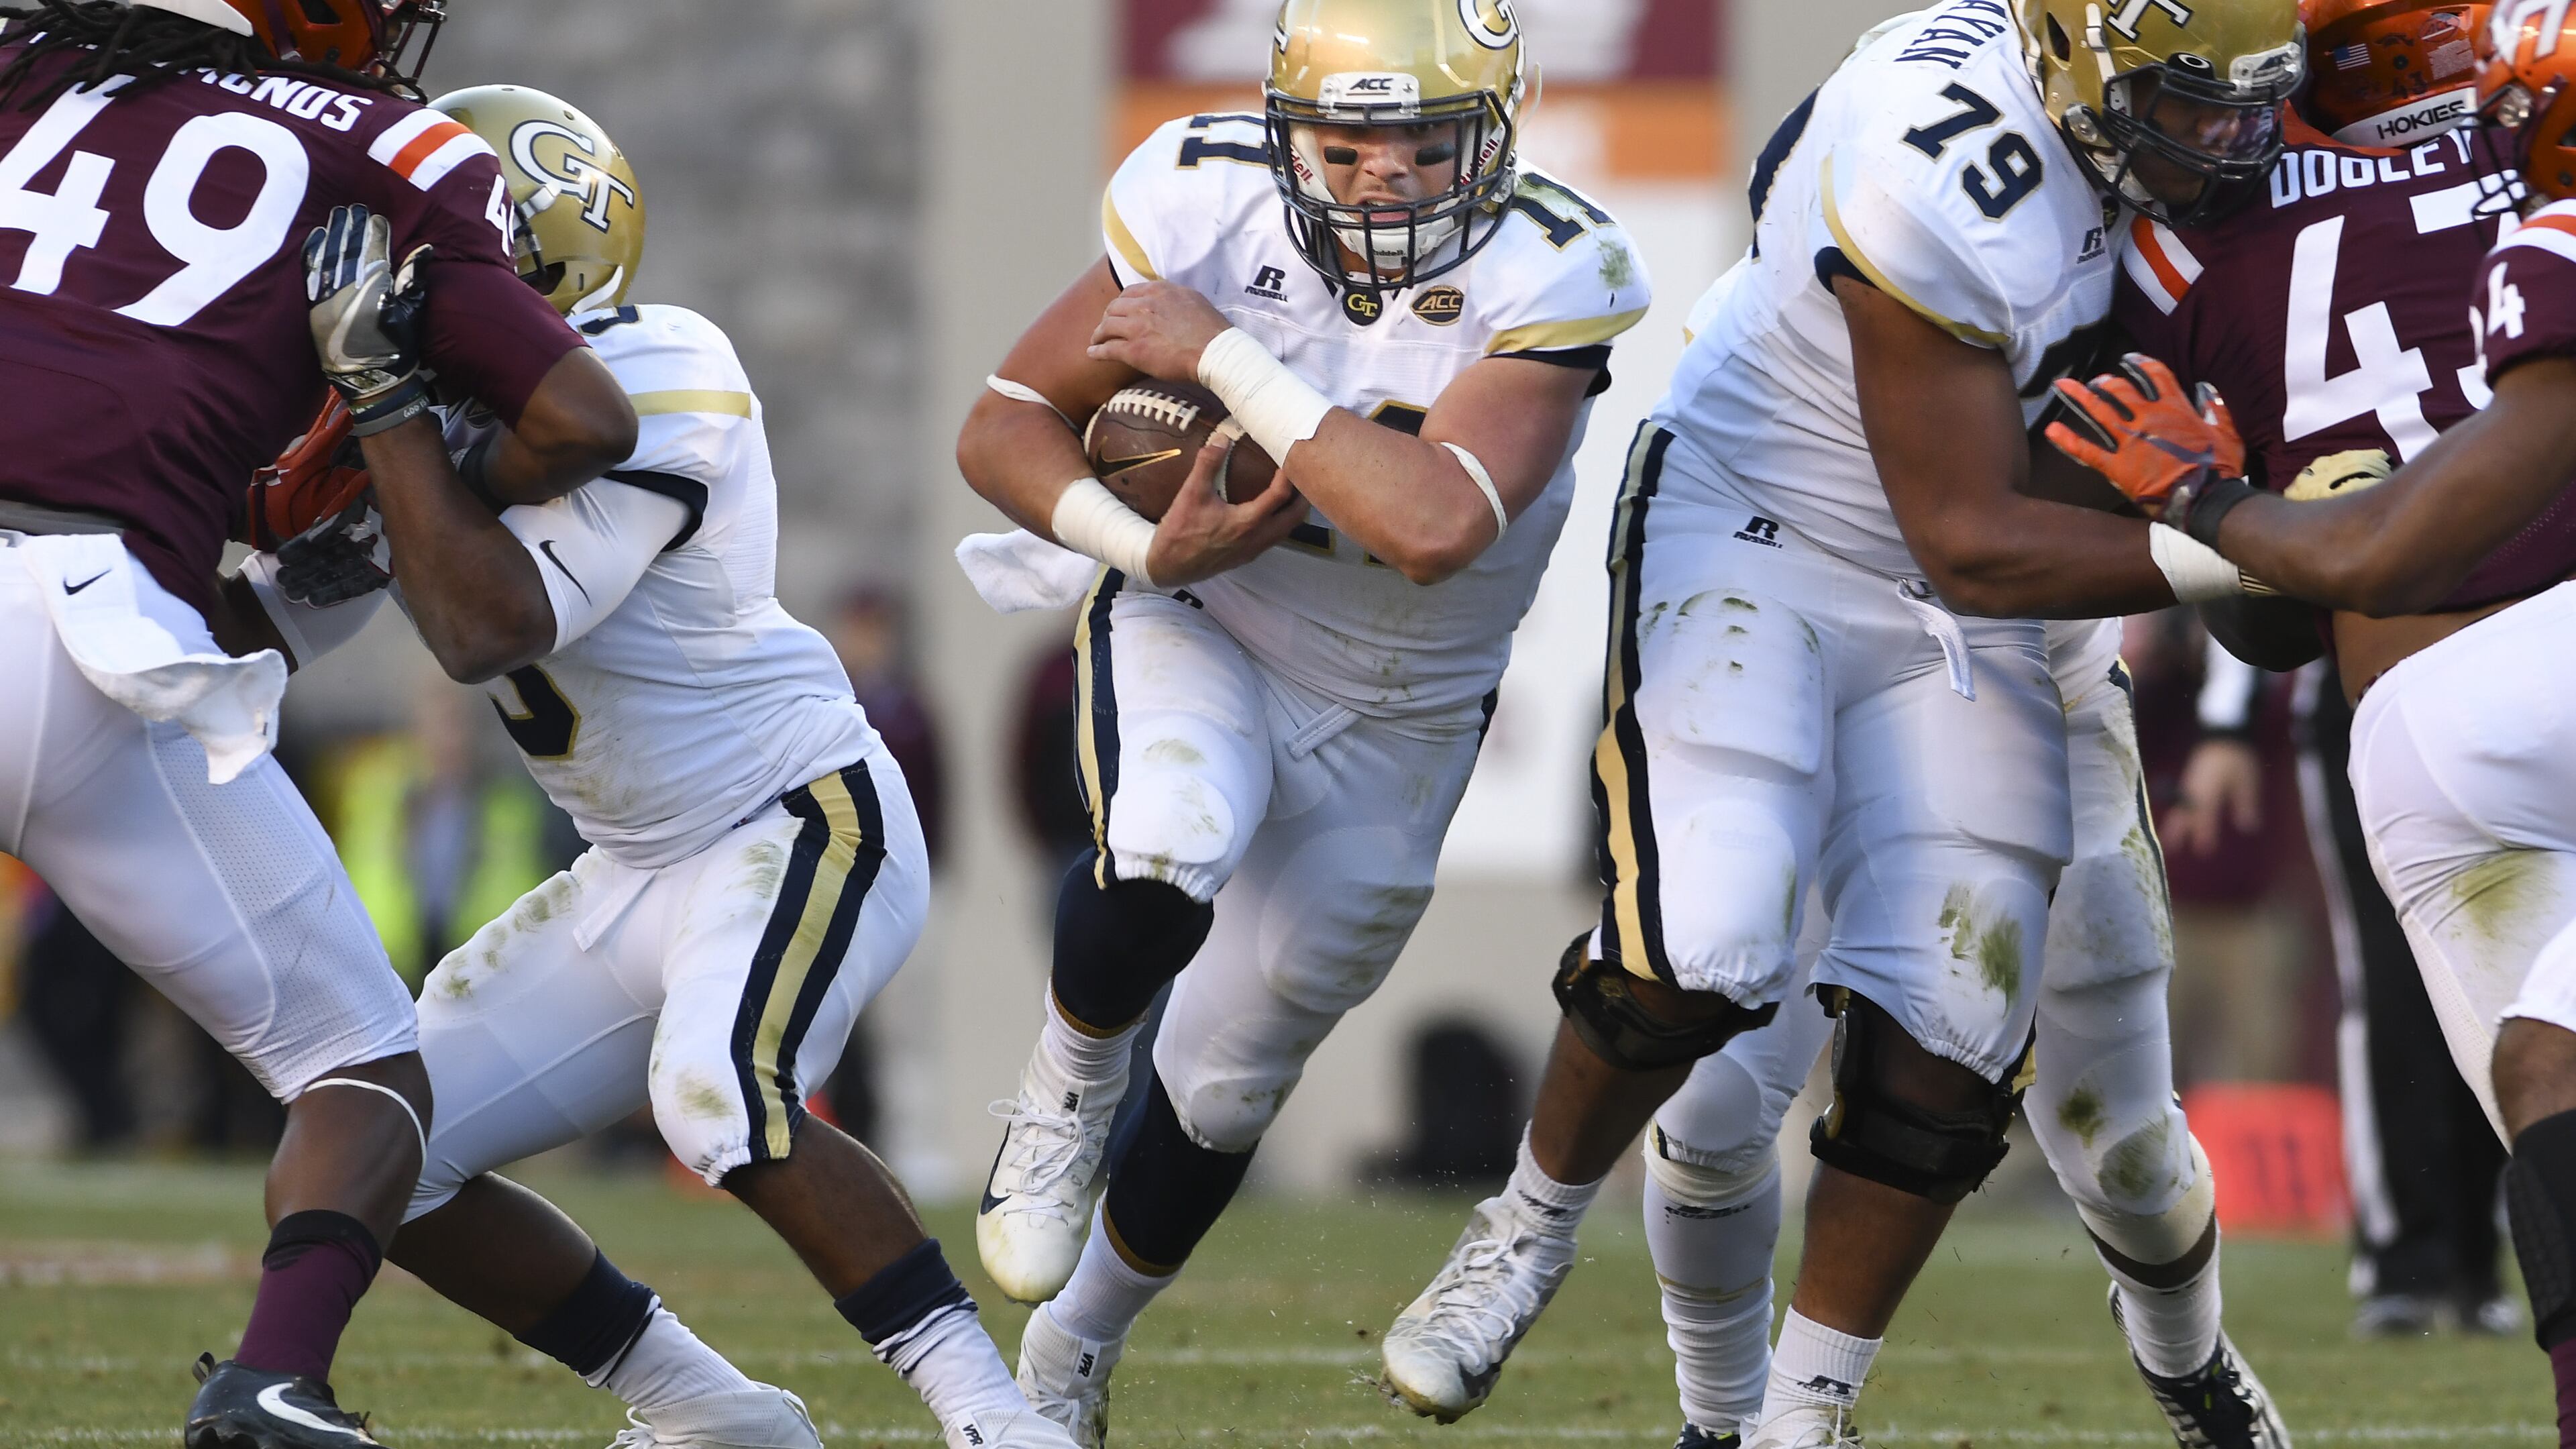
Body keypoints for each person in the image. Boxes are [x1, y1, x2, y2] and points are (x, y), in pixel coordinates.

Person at [1373, 3, 2308, 1447]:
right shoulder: (1948, 170)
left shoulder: (2198, 159)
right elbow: (1967, 538)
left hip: (2012, 613)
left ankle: (1845, 1415)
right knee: (1713, 941)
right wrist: (2253, 542)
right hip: (1785, 529)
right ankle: (1532, 1235)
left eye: (2249, 104)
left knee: (1966, 1023)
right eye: (2186, 104)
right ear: (2073, 62)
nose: (2228, 140)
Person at [240, 85, 1078, 1449]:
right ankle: (710, 1412)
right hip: (631, 867)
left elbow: (485, 623)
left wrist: (387, 416)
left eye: (429, 255)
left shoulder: (660, 363)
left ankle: (996, 1417)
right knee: (390, 1147)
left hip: (798, 817)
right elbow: (248, 626)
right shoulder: (412, 432)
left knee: (716, 1094)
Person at [953, 1, 1650, 1440]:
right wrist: (1147, 549)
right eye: (1343, 146)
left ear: (1499, 133)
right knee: (1168, 833)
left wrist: (1220, 358)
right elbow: (1005, 422)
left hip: (1405, 705)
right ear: (1285, 133)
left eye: (1422, 146)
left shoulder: (1555, 263)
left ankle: (1073, 1353)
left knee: (1232, 1072)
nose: (1379, 181)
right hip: (1212, 617)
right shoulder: (1198, 203)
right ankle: (1066, 1081)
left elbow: (1437, 523)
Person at [0, 1, 639, 1442]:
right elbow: (589, 422)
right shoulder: (399, 150)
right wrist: (392, 404)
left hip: (86, 601)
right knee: (362, 1064)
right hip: (75, 618)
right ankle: (273, 1375)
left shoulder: (26, 60)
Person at [2047, 5, 2576, 1435]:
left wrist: (2216, 505)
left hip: (2413, 695)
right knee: (2549, 1077)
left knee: (2548, 1083)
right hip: (2451, 703)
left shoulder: (2163, 256)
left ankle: (2423, 1270)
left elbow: (2283, 603)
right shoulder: (2523, 164)